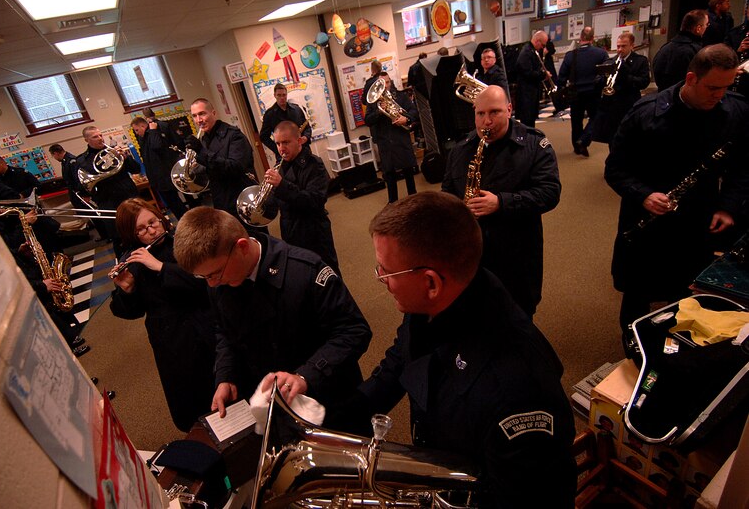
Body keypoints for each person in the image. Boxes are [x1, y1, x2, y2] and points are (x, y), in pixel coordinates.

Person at [327, 191, 576, 507]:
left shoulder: (515, 389)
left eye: (385, 271)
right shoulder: (436, 301)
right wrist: (330, 418)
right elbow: (401, 358)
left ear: (431, 283)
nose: (381, 280)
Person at [604, 44, 749, 353]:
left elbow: (743, 167)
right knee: (638, 291)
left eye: (726, 87)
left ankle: (677, 353)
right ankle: (635, 349)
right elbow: (614, 169)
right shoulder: (647, 113)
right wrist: (644, 195)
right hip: (647, 220)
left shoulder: (735, 111)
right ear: (691, 78)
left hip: (698, 218)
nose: (719, 95)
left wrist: (728, 207)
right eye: (712, 87)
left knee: (687, 290)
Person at [172, 207, 371, 417]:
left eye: (214, 274)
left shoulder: (305, 270)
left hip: (325, 397)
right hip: (271, 400)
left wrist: (305, 376)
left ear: (242, 247)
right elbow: (225, 330)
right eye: (204, 278)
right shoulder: (220, 277)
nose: (211, 284)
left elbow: (354, 331)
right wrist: (226, 375)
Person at [442, 85, 561, 318]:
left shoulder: (534, 145)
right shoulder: (460, 150)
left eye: (494, 112)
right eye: (480, 114)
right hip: (472, 254)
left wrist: (501, 203)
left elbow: (550, 193)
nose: (487, 121)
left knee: (519, 315)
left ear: (509, 109)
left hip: (517, 253)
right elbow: (447, 191)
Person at [109, 198, 216, 432]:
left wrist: (161, 267)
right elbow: (130, 310)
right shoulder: (132, 258)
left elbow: (204, 282)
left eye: (153, 222)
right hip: (170, 339)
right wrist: (127, 290)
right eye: (142, 229)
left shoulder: (181, 242)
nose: (151, 230)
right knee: (192, 399)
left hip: (203, 325)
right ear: (131, 234)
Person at [0, 184, 89, 357]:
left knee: (52, 313)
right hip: (23, 282)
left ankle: (70, 338)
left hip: (27, 270)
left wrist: (20, 251)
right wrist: (23, 225)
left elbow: (7, 248)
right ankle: (68, 347)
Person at [265, 120, 340, 274]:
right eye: (278, 144)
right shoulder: (280, 165)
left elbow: (315, 200)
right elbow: (277, 204)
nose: (281, 148)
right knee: (302, 275)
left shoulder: (315, 164)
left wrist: (281, 185)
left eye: (285, 142)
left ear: (299, 141)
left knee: (327, 273)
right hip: (290, 231)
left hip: (314, 231)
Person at [187, 98, 258, 222]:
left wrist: (202, 152)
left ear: (213, 113)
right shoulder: (204, 139)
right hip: (221, 200)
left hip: (242, 200)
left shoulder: (234, 135)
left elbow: (235, 167)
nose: (199, 120)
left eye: (202, 114)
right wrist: (194, 169)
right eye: (194, 116)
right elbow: (210, 170)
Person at [75, 126, 141, 258]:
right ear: (86, 140)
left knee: (139, 230)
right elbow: (83, 186)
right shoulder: (82, 160)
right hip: (109, 202)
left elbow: (136, 169)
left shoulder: (114, 151)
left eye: (100, 135)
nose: (100, 138)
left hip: (129, 196)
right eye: (95, 137)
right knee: (119, 239)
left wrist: (125, 157)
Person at [363, 72, 418, 204]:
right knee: (389, 175)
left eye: (387, 82)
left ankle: (414, 200)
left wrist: (406, 119)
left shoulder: (400, 96)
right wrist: (378, 111)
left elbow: (414, 111)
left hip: (401, 140)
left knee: (408, 173)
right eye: (382, 83)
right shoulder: (373, 102)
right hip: (385, 143)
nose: (385, 86)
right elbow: (368, 121)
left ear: (390, 82)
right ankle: (392, 203)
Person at [557, 26, 609, 157]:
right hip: (594, 92)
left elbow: (562, 76)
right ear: (593, 38)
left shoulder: (570, 55)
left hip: (575, 92)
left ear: (580, 38)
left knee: (576, 120)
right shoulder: (601, 54)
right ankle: (584, 140)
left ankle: (577, 146)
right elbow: (606, 73)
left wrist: (560, 92)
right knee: (596, 117)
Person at [592, 32, 650, 145]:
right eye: (618, 46)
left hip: (629, 105)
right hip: (612, 108)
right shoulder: (610, 62)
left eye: (623, 46)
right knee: (613, 140)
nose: (620, 49)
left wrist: (626, 76)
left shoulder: (640, 61)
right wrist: (604, 79)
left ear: (632, 46)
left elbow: (644, 82)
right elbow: (597, 81)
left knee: (629, 140)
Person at [131, 116, 188, 219]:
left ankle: (187, 222)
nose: (136, 133)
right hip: (157, 179)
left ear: (143, 126)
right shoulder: (143, 138)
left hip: (164, 177)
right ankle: (184, 221)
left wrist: (153, 131)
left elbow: (156, 146)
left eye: (137, 130)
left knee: (176, 203)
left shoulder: (154, 133)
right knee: (172, 205)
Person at [652, 10, 709, 91]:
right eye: (707, 24)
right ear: (698, 28)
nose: (707, 27)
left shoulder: (664, 48)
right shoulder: (696, 52)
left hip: (663, 97)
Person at [259, 83, 312, 160]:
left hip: (302, 151)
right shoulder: (269, 114)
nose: (282, 98)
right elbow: (263, 137)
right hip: (285, 155)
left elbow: (307, 128)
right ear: (275, 95)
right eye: (279, 95)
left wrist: (306, 137)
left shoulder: (297, 109)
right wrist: (278, 149)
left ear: (287, 95)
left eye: (284, 95)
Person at [514, 30, 551, 128]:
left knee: (531, 122)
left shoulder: (532, 51)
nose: (542, 48)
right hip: (526, 95)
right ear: (537, 41)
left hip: (531, 94)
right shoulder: (526, 52)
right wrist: (543, 75)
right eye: (542, 45)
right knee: (527, 123)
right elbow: (528, 73)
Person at [48, 144, 84, 210]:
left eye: (53, 156)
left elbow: (77, 178)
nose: (54, 158)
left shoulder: (71, 160)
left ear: (56, 153)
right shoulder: (65, 161)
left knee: (85, 211)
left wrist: (82, 193)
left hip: (78, 191)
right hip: (74, 191)